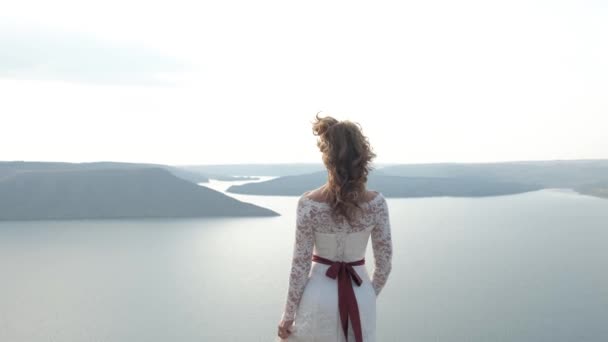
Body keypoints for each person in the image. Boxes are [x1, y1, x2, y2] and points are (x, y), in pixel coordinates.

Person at [276, 113, 393, 342]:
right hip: (361, 297)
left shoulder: (309, 204)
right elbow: (385, 264)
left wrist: (287, 316)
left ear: (327, 158)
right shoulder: (377, 204)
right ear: (362, 156)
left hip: (319, 297)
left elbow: (299, 267)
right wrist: (367, 294)